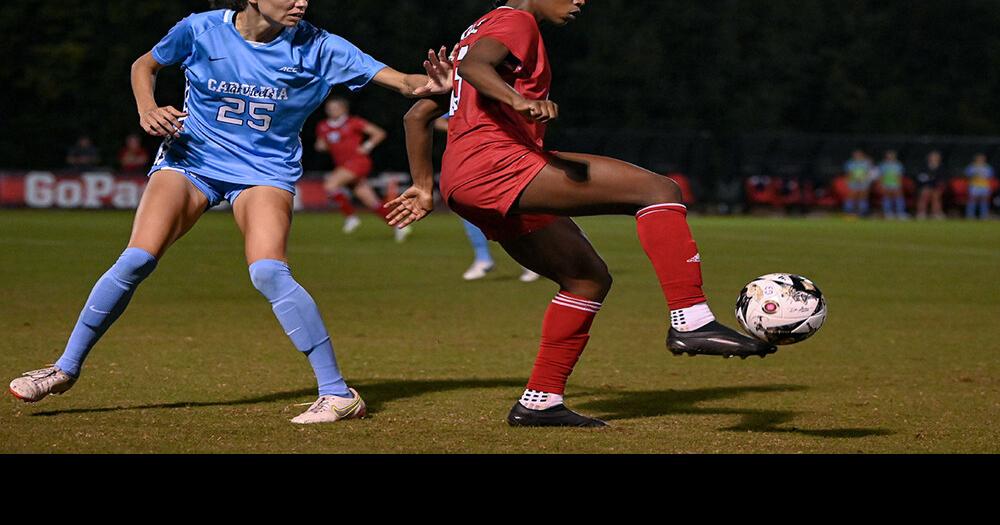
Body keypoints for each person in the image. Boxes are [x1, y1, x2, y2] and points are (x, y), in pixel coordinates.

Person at [8, 0, 451, 424]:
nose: (301, 3)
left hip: (263, 172)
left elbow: (404, 83)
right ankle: (64, 368)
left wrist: (433, 84)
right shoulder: (202, 29)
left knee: (269, 272)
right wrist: (147, 108)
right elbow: (144, 65)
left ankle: (337, 394)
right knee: (137, 258)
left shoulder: (321, 47)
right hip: (191, 161)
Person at [389, 0, 776, 428]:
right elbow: (477, 68)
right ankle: (692, 319)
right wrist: (519, 101)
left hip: (468, 180)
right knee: (659, 190)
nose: (579, 2)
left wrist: (425, 188)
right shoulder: (516, 21)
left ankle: (540, 401)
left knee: (586, 279)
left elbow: (416, 114)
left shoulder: (477, 29)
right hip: (497, 167)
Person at [434, 115, 540, 282]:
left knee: (507, 210)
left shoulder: (493, 95)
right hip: (469, 159)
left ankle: (529, 262)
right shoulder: (464, 95)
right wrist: (467, 133)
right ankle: (483, 258)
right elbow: (438, 120)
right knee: (467, 209)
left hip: (498, 158)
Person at [314, 96, 411, 242]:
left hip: (358, 162)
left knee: (331, 184)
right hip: (343, 165)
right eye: (329, 108)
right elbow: (321, 144)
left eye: (334, 108)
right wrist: (321, 146)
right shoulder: (323, 126)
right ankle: (399, 225)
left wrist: (366, 146)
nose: (331, 111)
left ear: (343, 109)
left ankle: (351, 217)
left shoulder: (353, 122)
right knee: (371, 201)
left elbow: (379, 133)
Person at [915, 150, 946, 220]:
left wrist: (938, 184)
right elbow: (920, 177)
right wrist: (926, 179)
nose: (934, 159)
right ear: (929, 158)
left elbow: (943, 178)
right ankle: (921, 213)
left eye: (936, 157)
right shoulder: (924, 167)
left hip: (936, 186)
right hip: (926, 186)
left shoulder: (941, 167)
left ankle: (936, 213)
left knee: (936, 197)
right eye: (932, 157)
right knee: (924, 195)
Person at [877, 150, 907, 219]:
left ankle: (900, 213)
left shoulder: (898, 165)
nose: (890, 157)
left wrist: (899, 185)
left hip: (896, 184)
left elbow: (899, 176)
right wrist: (881, 185)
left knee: (898, 196)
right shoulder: (883, 165)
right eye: (889, 155)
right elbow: (881, 176)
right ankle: (888, 213)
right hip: (886, 184)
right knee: (887, 197)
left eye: (892, 155)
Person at [843, 149, 873, 217]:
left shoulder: (866, 163)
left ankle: (863, 212)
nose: (857, 156)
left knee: (863, 197)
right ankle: (849, 212)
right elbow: (848, 174)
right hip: (853, 182)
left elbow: (868, 173)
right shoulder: (850, 163)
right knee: (852, 197)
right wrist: (848, 181)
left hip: (864, 182)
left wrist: (866, 180)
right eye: (856, 154)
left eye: (859, 154)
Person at [965, 154, 995, 220]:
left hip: (984, 186)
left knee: (984, 201)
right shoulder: (972, 167)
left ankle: (984, 216)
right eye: (979, 159)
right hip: (974, 186)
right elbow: (967, 174)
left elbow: (991, 176)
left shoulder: (987, 167)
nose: (980, 160)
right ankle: (970, 215)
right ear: (976, 159)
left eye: (982, 159)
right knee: (972, 201)